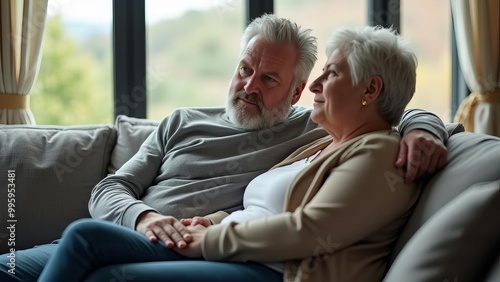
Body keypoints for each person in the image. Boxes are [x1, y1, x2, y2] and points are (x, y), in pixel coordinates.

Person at [0, 15, 447, 282]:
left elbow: (388, 121)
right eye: (245, 69)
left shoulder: (313, 132)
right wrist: (148, 217)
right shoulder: (182, 121)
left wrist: (424, 128)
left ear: (294, 94)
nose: (249, 86)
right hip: (142, 234)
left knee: (90, 251)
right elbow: (110, 188)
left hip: (207, 252)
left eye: (269, 79)